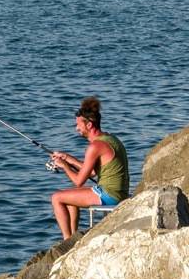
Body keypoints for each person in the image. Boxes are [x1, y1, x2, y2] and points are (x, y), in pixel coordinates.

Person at [48, 96, 129, 241]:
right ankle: (73, 238)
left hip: (110, 196)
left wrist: (64, 166)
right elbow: (91, 171)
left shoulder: (95, 146)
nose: (76, 128)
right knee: (69, 194)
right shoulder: (111, 139)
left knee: (57, 198)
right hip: (118, 192)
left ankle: (66, 241)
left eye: (78, 125)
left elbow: (79, 181)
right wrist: (68, 158)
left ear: (89, 125)